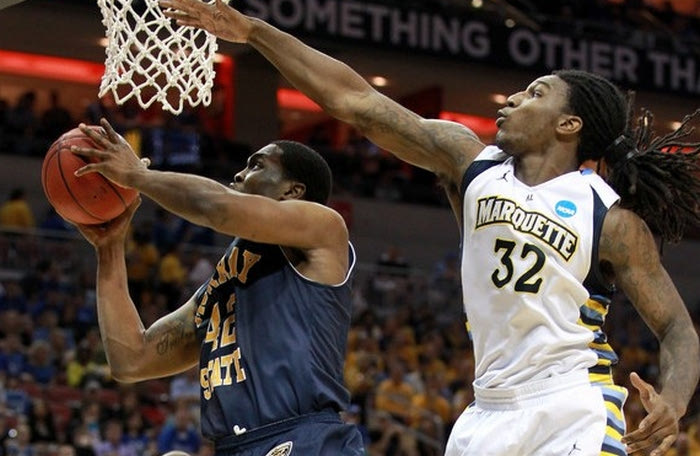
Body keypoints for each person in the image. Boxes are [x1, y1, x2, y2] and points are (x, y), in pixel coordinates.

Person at [158, 2, 700, 455]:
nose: (514, 99)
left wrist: (673, 403)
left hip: (570, 404)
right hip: (485, 412)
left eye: (536, 93)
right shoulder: (471, 164)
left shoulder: (611, 219)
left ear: (569, 124)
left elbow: (677, 327)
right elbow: (357, 101)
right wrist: (254, 31)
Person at [69, 119, 364, 455]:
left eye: (257, 165)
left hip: (305, 439)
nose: (239, 174)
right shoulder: (225, 285)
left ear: (292, 191)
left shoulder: (324, 227)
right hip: (235, 447)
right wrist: (109, 249)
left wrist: (137, 175)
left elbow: (217, 207)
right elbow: (131, 360)